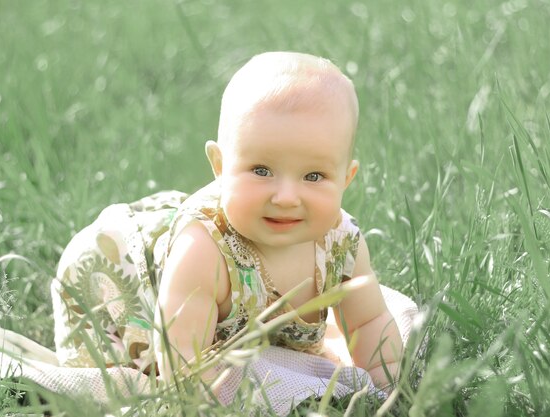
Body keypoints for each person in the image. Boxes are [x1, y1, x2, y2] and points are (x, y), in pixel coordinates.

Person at [50, 51, 404, 394]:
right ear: (220, 167)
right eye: (261, 170)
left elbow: (369, 322)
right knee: (123, 378)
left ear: (346, 177)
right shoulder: (204, 250)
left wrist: (387, 389)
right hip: (114, 284)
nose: (285, 197)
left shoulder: (342, 245)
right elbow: (182, 355)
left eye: (313, 176)